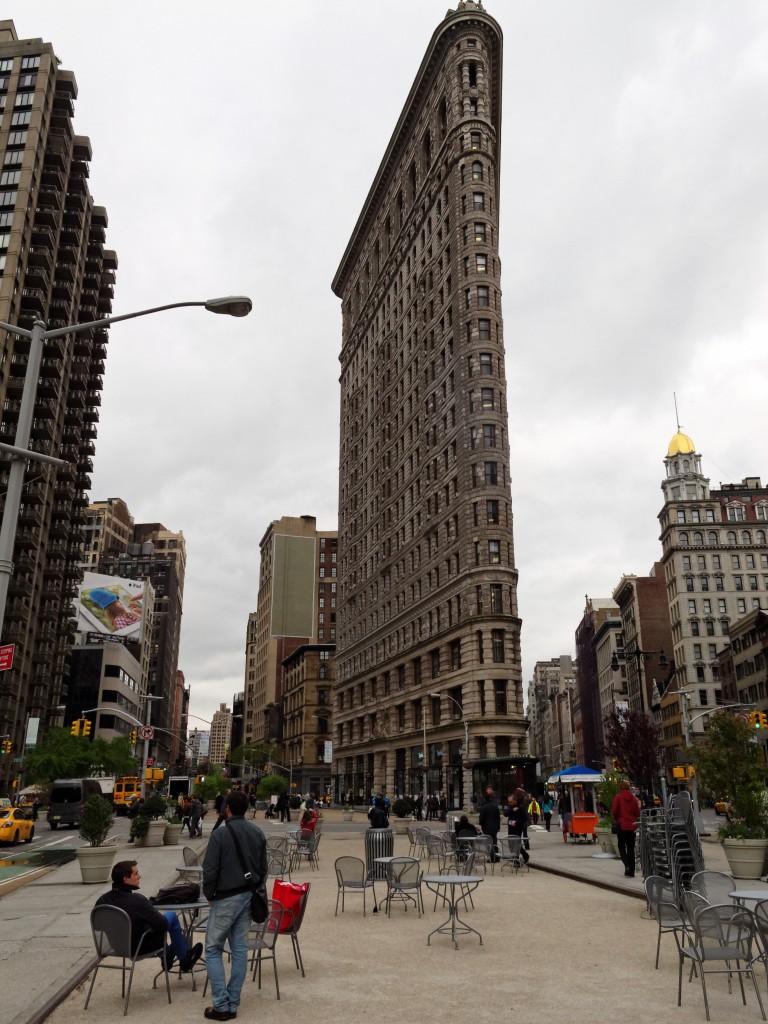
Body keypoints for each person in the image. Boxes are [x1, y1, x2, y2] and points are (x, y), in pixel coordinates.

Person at [203, 789, 267, 1021]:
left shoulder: (220, 834)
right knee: (239, 950)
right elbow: (263, 869)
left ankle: (221, 1004)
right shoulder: (257, 832)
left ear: (227, 808)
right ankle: (233, 1001)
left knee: (212, 948)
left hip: (225, 897)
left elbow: (210, 869)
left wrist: (208, 892)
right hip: (248, 896)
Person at [95, 860, 203, 972]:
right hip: (141, 947)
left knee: (152, 923)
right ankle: (183, 959)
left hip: (117, 948)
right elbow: (163, 925)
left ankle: (170, 954)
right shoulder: (137, 900)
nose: (139, 876)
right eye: (136, 874)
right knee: (170, 917)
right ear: (125, 879)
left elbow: (98, 926)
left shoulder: (102, 901)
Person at [611, 779, 641, 878]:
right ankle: (631, 871)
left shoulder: (618, 797)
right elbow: (637, 812)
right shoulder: (633, 798)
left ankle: (627, 865)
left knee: (621, 846)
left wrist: (616, 818)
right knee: (631, 848)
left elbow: (614, 811)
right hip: (632, 826)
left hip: (622, 825)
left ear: (620, 788)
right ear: (628, 788)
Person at [503, 794, 530, 864]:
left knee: (516, 844)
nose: (509, 803)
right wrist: (512, 810)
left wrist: (517, 822)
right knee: (511, 844)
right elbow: (505, 813)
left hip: (517, 828)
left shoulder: (521, 807)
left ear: (515, 801)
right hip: (511, 828)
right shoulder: (510, 807)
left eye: (511, 802)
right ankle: (522, 856)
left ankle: (517, 859)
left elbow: (525, 818)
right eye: (509, 802)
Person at [478, 788, 501, 862]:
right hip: (495, 827)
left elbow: (481, 818)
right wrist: (498, 826)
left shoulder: (484, 808)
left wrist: (481, 824)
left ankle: (492, 857)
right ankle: (496, 856)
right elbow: (498, 818)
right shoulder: (495, 807)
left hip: (486, 827)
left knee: (489, 842)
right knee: (494, 841)